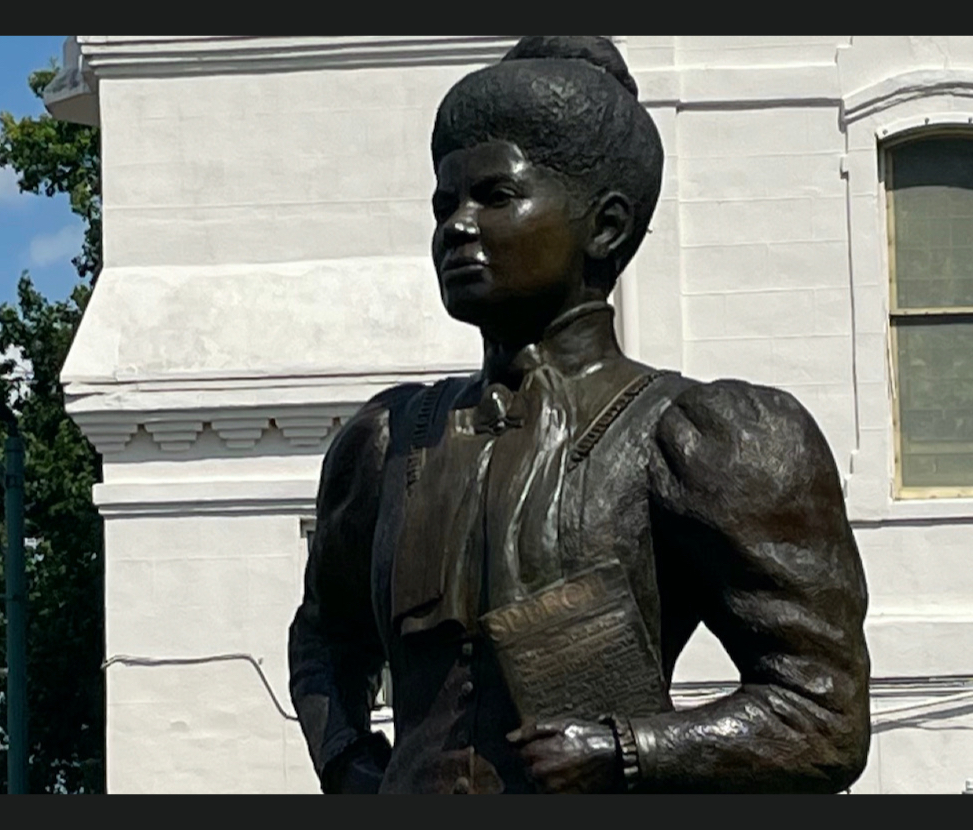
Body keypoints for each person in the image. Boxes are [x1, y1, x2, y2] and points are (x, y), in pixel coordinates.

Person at [287, 35, 871, 794]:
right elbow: (327, 640)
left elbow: (821, 713)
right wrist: (348, 760)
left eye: (495, 197)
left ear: (605, 226)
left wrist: (629, 750)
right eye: (444, 204)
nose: (455, 226)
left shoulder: (707, 438)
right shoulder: (388, 442)